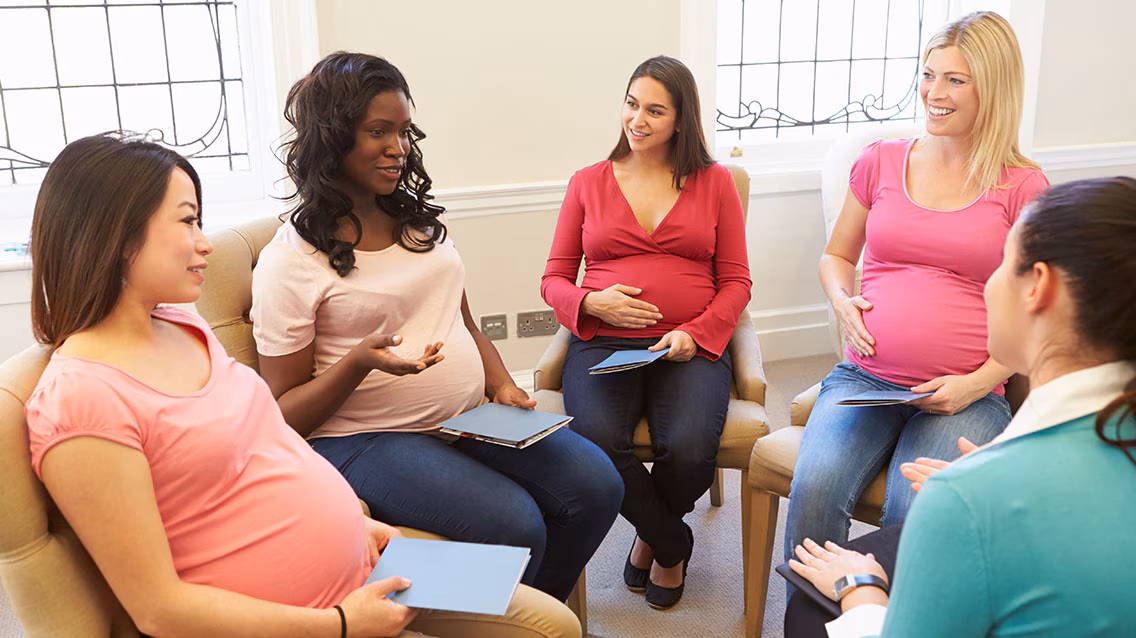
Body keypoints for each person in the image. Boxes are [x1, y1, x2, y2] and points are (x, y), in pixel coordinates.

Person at [25, 133, 582, 638]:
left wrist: (358, 521)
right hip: (313, 618)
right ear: (119, 235)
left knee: (554, 623)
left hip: (368, 565)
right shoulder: (82, 400)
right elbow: (158, 609)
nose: (205, 244)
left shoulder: (180, 325)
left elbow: (270, 441)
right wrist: (340, 624)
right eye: (187, 221)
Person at [250, 52, 623, 603]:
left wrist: (500, 382)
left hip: (466, 416)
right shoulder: (292, 260)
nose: (398, 147)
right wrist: (358, 362)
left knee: (598, 484)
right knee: (514, 524)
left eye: (403, 131)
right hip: (362, 439)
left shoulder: (420, 224)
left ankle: (536, 617)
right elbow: (280, 416)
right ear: (332, 137)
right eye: (378, 131)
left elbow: (463, 320)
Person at [788, 176, 1136, 636]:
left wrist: (860, 588)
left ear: (1038, 286)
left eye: (1001, 263)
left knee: (809, 611)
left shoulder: (966, 500)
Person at [784, 11, 1050, 564]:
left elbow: (1041, 316)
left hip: (963, 397)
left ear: (993, 89)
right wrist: (841, 300)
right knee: (814, 494)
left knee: (916, 517)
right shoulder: (879, 161)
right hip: (866, 378)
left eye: (956, 79)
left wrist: (977, 384)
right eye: (929, 74)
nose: (934, 92)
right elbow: (836, 256)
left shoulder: (1023, 186)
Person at [540, 55, 751, 609]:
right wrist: (592, 301)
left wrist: (697, 333)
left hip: (689, 345)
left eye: (655, 110)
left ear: (681, 120)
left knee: (686, 447)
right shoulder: (588, 182)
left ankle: (652, 533)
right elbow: (553, 280)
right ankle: (672, 540)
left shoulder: (716, 183)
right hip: (605, 341)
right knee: (594, 445)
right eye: (632, 104)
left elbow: (735, 283)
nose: (637, 119)